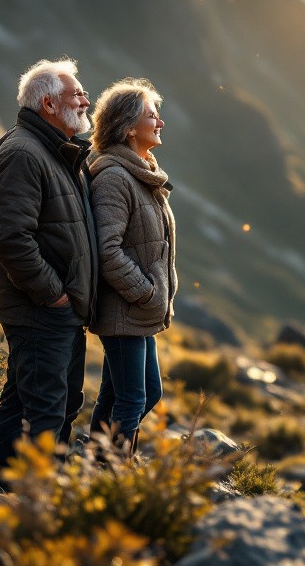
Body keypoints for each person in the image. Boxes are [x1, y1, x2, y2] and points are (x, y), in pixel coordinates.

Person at [0, 58, 98, 487]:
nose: (87, 100)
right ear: (48, 103)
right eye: (77, 94)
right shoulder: (23, 153)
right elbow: (11, 239)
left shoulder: (54, 151)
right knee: (48, 407)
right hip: (41, 308)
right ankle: (34, 500)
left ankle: (11, 488)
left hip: (58, 309)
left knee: (37, 400)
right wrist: (54, 295)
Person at [87, 77, 176, 456]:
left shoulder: (141, 172)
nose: (160, 123)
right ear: (127, 128)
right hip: (125, 309)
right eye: (152, 115)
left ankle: (94, 461)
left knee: (136, 393)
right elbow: (107, 250)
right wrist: (145, 291)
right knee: (133, 400)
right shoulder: (113, 177)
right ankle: (110, 473)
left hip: (138, 311)